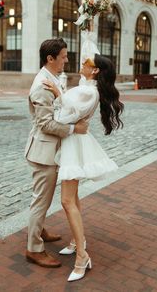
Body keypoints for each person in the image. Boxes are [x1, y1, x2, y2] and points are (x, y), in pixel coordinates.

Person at [43, 54, 124, 281]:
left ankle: (82, 255)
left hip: (74, 145)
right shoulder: (86, 85)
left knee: (67, 201)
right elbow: (70, 109)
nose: (81, 64)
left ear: (95, 70)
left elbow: (70, 110)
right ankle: (76, 242)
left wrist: (58, 92)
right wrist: (88, 21)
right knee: (73, 198)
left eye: (86, 64)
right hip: (73, 141)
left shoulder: (89, 91)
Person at [24, 38, 88, 268]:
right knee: (41, 201)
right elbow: (45, 124)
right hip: (43, 153)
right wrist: (75, 128)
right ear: (50, 58)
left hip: (49, 150)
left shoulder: (51, 78)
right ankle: (34, 248)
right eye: (63, 56)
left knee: (41, 199)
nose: (67, 59)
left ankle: (39, 230)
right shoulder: (42, 85)